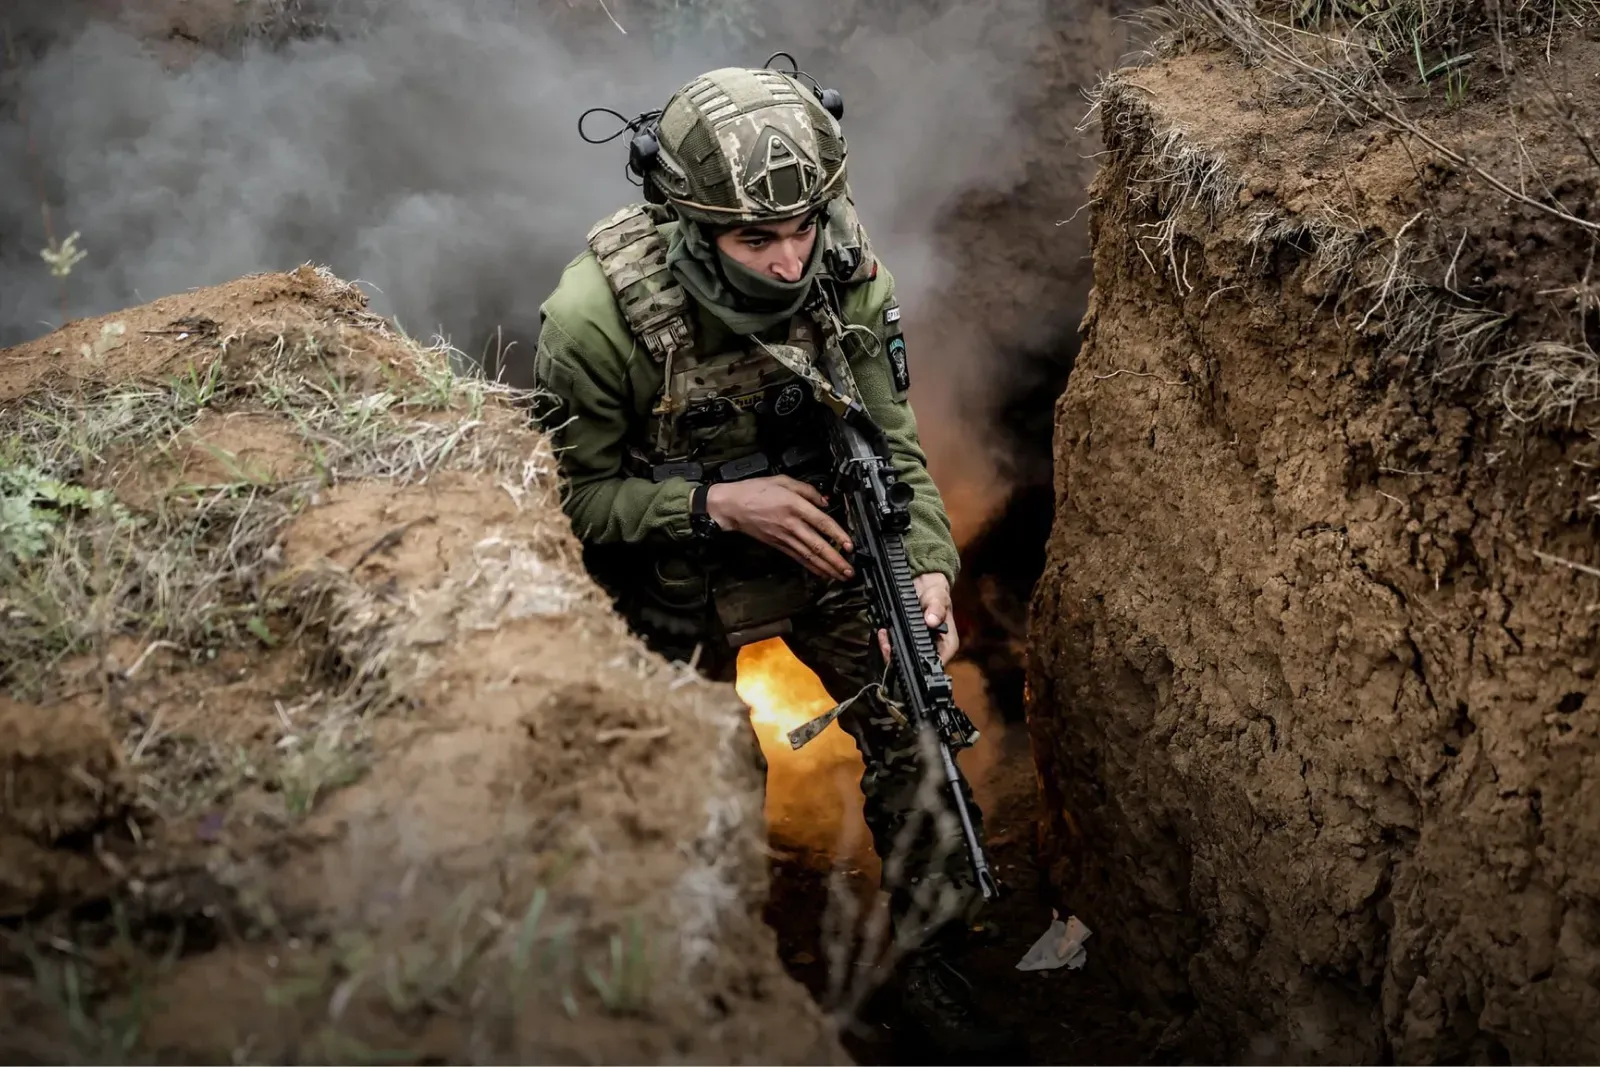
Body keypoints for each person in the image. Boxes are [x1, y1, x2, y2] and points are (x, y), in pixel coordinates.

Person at [530, 64, 1013, 1053]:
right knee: (702, 776)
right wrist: (714, 502)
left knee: (916, 719)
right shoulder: (596, 320)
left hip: (824, 548)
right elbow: (569, 501)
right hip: (669, 573)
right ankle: (715, 980)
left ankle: (931, 961)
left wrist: (925, 565)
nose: (792, 259)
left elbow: (891, 435)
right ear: (688, 219)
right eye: (757, 238)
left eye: (805, 225)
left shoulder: (843, 267)